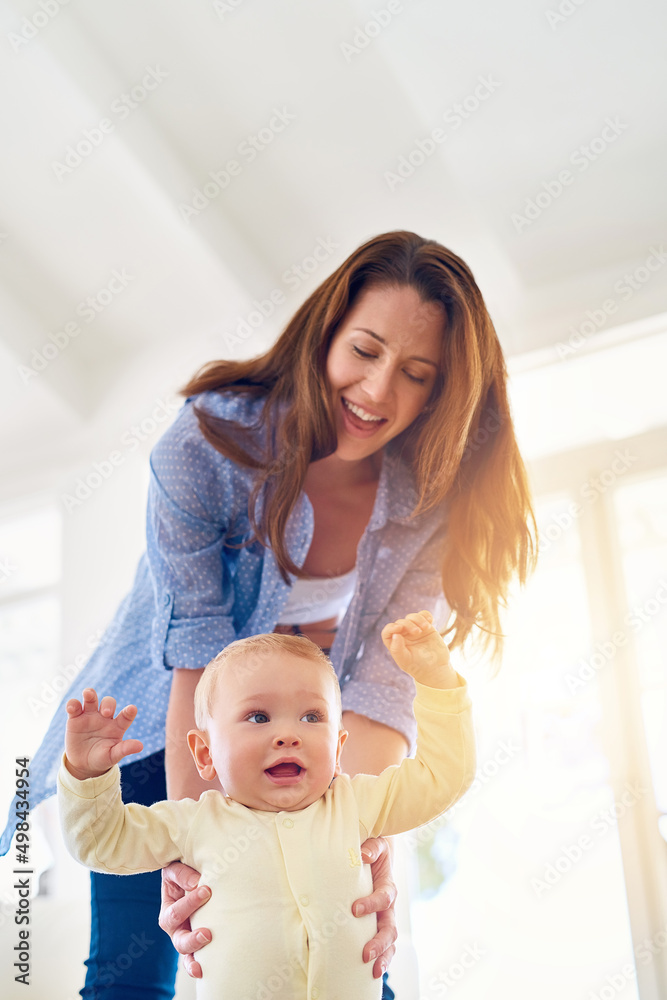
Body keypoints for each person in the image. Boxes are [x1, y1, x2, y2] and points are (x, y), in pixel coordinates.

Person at [1, 230, 536, 999]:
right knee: (134, 973)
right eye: (365, 350)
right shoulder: (209, 443)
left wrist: (348, 831)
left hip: (309, 747)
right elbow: (198, 653)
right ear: (325, 331)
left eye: (416, 374)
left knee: (353, 948)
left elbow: (386, 685)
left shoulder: (431, 497)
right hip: (161, 727)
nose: (379, 391)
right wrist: (197, 841)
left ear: (440, 392)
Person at [58, 611, 475, 1000]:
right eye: (258, 717)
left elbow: (443, 778)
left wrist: (439, 684)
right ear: (205, 754)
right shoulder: (191, 823)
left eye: (312, 717)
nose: (288, 735)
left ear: (338, 748)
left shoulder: (356, 804)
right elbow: (100, 843)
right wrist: (87, 776)